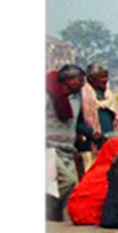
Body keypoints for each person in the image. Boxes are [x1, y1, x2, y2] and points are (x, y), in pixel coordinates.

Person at [45, 63, 86, 208]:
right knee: (68, 181)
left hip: (68, 149)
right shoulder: (47, 95)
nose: (82, 84)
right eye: (79, 80)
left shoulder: (76, 99)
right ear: (69, 80)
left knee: (73, 189)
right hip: (50, 149)